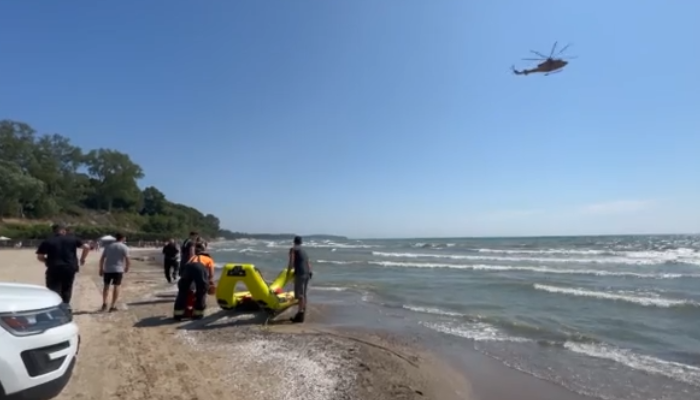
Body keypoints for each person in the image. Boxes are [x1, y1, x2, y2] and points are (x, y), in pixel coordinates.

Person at [36, 224, 91, 308]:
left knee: (53, 290)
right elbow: (87, 247)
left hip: (54, 268)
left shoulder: (48, 241)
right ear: (63, 230)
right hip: (69, 267)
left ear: (54, 231)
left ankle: (54, 307)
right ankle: (65, 307)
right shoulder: (72, 239)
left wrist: (47, 261)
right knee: (67, 288)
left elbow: (40, 257)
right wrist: (82, 259)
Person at [173, 243, 216, 320]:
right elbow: (211, 275)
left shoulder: (193, 257)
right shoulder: (209, 259)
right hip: (199, 268)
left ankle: (178, 314)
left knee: (183, 290)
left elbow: (187, 267)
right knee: (201, 291)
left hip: (188, 268)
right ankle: (198, 314)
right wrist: (209, 283)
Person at [99, 233, 130, 312]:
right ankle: (113, 306)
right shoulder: (124, 247)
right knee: (117, 286)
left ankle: (104, 303)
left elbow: (102, 258)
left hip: (107, 269)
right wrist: (127, 267)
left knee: (106, 286)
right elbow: (127, 259)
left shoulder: (108, 246)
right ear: (123, 238)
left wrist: (101, 269)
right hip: (118, 269)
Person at [287, 235, 312, 323]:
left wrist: (287, 273)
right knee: (304, 294)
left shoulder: (293, 250)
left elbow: (291, 263)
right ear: (301, 242)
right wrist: (310, 272)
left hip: (300, 274)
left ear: (294, 242)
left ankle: (300, 315)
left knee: (300, 295)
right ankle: (303, 310)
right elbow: (308, 262)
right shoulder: (304, 251)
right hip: (307, 274)